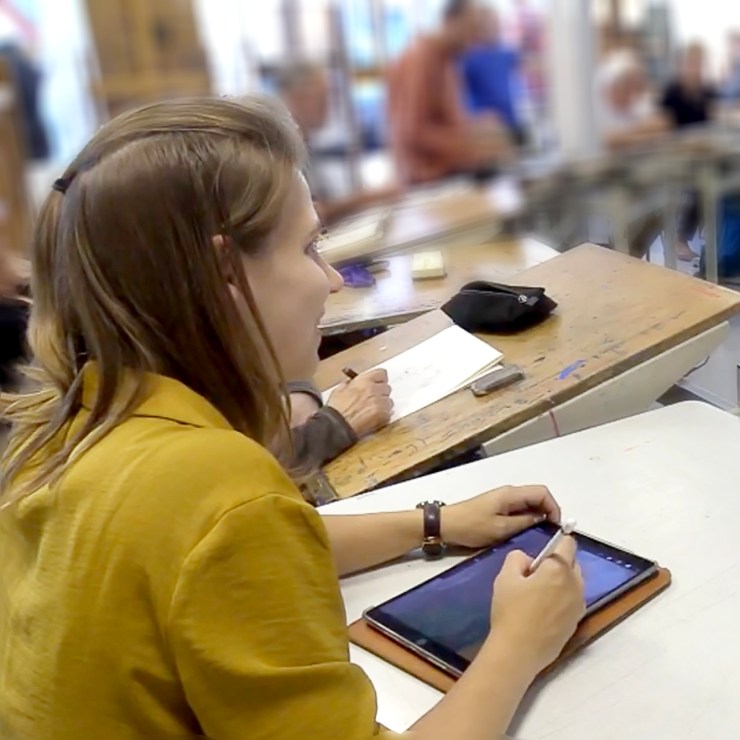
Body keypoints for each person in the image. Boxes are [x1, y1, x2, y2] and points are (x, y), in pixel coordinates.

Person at [0, 95, 585, 739]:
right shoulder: (218, 486)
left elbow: (229, 550)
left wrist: (436, 522)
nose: (332, 280)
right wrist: (520, 642)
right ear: (225, 274)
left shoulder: (69, 423)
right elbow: (233, 528)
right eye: (309, 247)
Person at [387, 0, 511, 184]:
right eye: (470, 28)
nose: (474, 39)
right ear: (450, 20)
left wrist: (479, 130)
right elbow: (412, 133)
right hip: (427, 183)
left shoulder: (449, 63)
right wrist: (469, 147)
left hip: (452, 175)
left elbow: (448, 123)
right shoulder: (420, 58)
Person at [275, 62, 399, 226]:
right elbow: (305, 218)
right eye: (323, 97)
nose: (328, 105)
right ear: (298, 98)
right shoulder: (282, 154)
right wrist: (367, 198)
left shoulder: (308, 146)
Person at [595, 50, 669, 258]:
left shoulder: (635, 104)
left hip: (638, 177)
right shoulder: (600, 109)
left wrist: (632, 136)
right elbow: (610, 141)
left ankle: (630, 256)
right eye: (626, 86)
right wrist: (641, 135)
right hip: (609, 181)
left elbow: (662, 124)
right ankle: (620, 254)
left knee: (664, 205)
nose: (631, 91)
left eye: (634, 86)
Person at [660, 43, 718, 261]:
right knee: (700, 183)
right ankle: (679, 238)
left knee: (720, 179)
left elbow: (713, 119)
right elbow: (663, 128)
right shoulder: (672, 92)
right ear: (682, 65)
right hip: (677, 153)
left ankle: (717, 240)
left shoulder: (706, 91)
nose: (696, 68)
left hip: (703, 151)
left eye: (699, 63)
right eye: (692, 63)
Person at [462, 6, 525, 145]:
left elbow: (524, 63)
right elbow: (462, 92)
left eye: (496, 23)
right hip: (485, 126)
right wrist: (476, 116)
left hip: (510, 120)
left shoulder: (506, 52)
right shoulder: (469, 57)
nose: (493, 27)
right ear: (478, 28)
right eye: (488, 23)